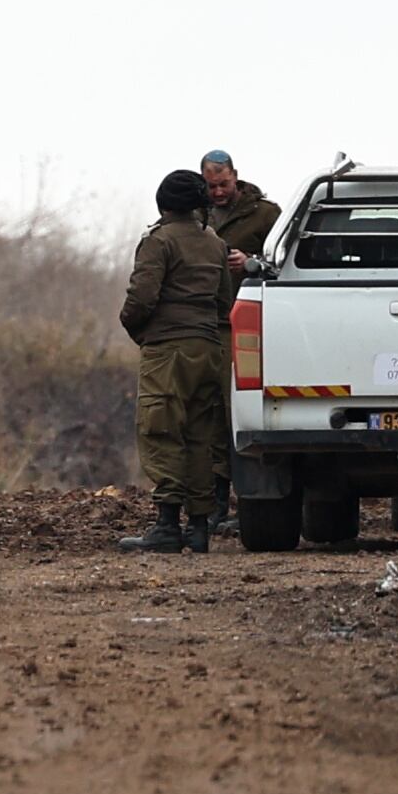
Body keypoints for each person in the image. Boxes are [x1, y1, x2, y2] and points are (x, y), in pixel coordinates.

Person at [116, 168, 233, 554]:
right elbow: (224, 302)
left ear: (163, 204)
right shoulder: (215, 243)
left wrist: (137, 330)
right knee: (200, 437)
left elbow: (141, 298)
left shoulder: (159, 241)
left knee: (161, 430)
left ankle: (167, 525)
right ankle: (198, 527)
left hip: (168, 351)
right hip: (207, 349)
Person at [196, 153, 280, 541]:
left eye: (223, 184)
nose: (217, 192)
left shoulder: (265, 214)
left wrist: (250, 262)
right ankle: (214, 504)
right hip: (206, 323)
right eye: (211, 186)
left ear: (236, 178)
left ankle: (249, 505)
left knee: (239, 416)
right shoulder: (196, 216)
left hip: (245, 325)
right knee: (210, 414)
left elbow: (282, 262)